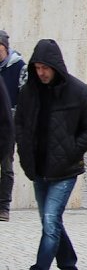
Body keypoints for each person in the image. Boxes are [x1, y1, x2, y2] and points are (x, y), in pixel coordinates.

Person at [15, 39, 87, 270]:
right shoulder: (29, 91)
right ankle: (69, 267)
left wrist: (71, 152)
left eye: (45, 67)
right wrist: (24, 153)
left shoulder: (78, 91)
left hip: (65, 170)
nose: (41, 72)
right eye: (38, 67)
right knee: (50, 222)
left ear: (55, 66)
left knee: (51, 219)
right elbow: (20, 123)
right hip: (38, 168)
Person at [0, 29, 26, 221]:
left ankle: (4, 206)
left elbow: (24, 97)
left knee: (6, 166)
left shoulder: (19, 67)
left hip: (8, 125)